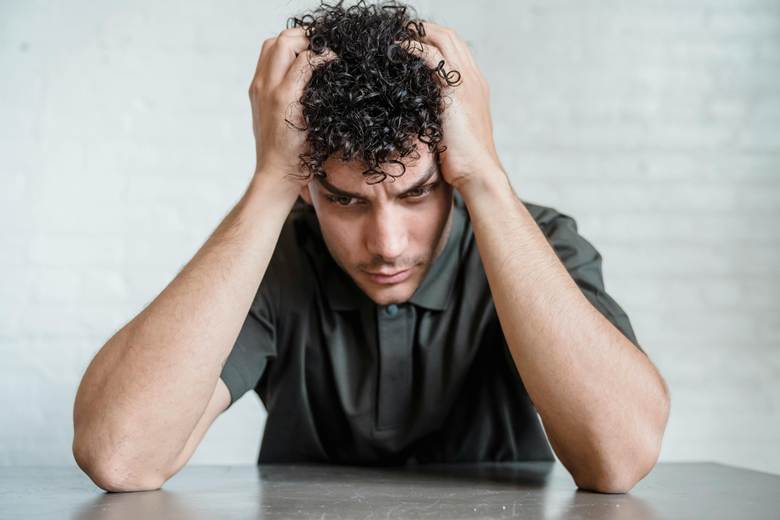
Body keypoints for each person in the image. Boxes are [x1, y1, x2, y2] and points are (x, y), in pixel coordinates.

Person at [72, 0, 670, 495]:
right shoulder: (274, 259)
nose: (387, 244)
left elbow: (620, 459)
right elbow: (120, 456)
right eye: (345, 200)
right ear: (307, 187)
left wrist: (487, 177)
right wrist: (269, 183)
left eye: (418, 193)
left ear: (453, 169)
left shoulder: (542, 244)